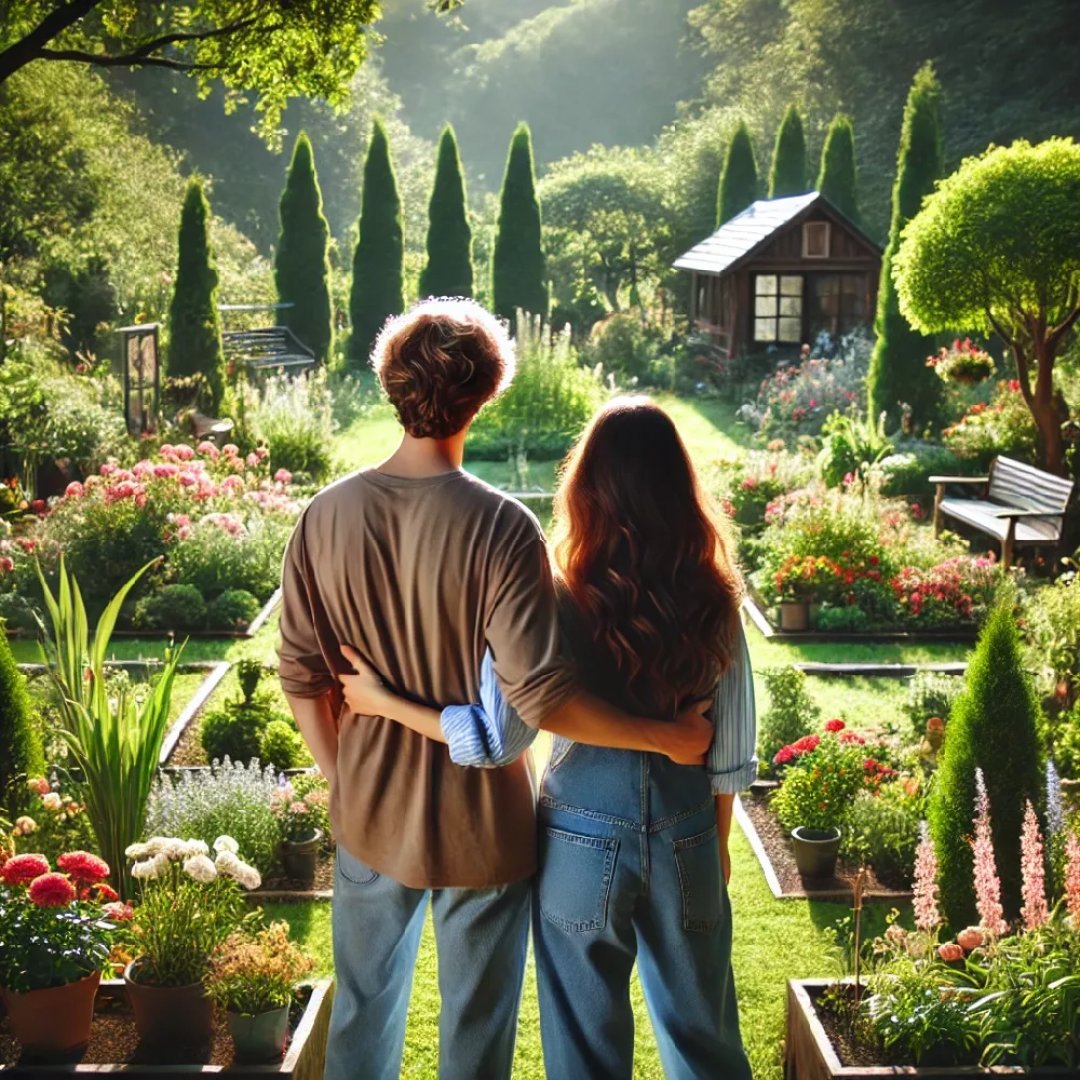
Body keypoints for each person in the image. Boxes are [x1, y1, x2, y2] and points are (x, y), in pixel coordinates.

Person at [276, 301, 713, 1080]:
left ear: (389, 384)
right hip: (483, 827)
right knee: (475, 1041)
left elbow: (303, 676)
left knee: (361, 1021)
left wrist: (346, 777)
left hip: (368, 814)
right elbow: (540, 698)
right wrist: (665, 737)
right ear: (484, 395)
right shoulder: (504, 528)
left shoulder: (323, 516)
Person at [340, 397, 756, 1079]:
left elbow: (501, 733)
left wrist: (385, 702)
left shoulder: (554, 595)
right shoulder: (718, 596)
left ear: (587, 486)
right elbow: (730, 751)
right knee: (705, 1038)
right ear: (681, 485)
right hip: (689, 837)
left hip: (580, 842)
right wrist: (711, 844)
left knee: (582, 1050)